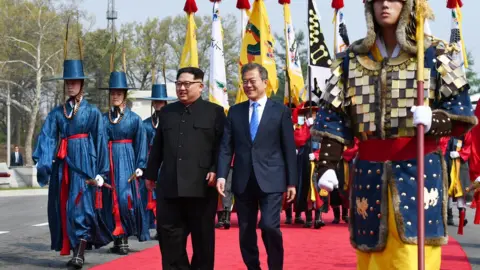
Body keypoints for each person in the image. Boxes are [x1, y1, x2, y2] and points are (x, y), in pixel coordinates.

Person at [311, 0, 477, 269]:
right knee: (371, 258)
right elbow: (334, 116)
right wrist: (328, 163)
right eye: (378, 0)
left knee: (411, 259)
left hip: (418, 173)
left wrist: (435, 119)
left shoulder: (433, 54)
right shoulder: (350, 61)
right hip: (368, 174)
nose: (384, 5)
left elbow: (462, 113)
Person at [216, 63, 297, 270]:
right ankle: (253, 267)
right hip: (243, 181)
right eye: (245, 81)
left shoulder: (280, 111)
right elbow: (226, 147)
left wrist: (291, 182)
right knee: (245, 231)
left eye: (252, 81)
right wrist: (222, 175)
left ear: (264, 82)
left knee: (270, 227)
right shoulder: (235, 112)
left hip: (272, 179)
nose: (248, 85)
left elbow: (289, 148)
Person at [33, 57, 111, 268]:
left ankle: (79, 253)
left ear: (82, 84)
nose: (70, 85)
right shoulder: (57, 113)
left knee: (82, 207)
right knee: (65, 207)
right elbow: (48, 136)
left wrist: (101, 172)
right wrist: (43, 161)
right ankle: (72, 247)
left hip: (85, 163)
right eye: (67, 81)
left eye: (74, 81)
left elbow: (101, 140)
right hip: (63, 165)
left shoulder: (93, 112)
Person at [145, 67, 226, 270]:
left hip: (201, 187)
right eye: (179, 84)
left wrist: (216, 170)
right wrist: (151, 173)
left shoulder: (214, 112)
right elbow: (158, 146)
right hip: (170, 187)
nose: (182, 88)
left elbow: (222, 147)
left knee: (203, 243)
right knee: (169, 239)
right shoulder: (167, 112)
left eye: (187, 84)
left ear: (200, 86)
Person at [100, 70, 150, 255]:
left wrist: (140, 166)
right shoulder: (103, 119)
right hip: (108, 162)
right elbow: (98, 143)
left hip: (127, 161)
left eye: (119, 93)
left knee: (125, 200)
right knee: (108, 200)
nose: (115, 96)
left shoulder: (135, 119)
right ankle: (116, 238)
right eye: (112, 93)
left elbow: (141, 144)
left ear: (124, 96)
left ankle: (125, 236)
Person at [137, 83, 176, 238]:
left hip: (166, 163)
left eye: (161, 101)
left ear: (165, 103)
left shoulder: (171, 122)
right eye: (156, 101)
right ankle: (146, 228)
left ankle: (164, 227)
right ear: (152, 103)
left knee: (166, 197)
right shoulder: (145, 124)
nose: (158, 104)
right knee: (147, 195)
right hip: (150, 161)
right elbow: (141, 145)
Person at [445, 133, 472, 227]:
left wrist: (460, 153)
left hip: (461, 163)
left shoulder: (466, 132)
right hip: (447, 160)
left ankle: (462, 216)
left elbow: (469, 146)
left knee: (461, 190)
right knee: (448, 188)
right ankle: (449, 216)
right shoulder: (447, 130)